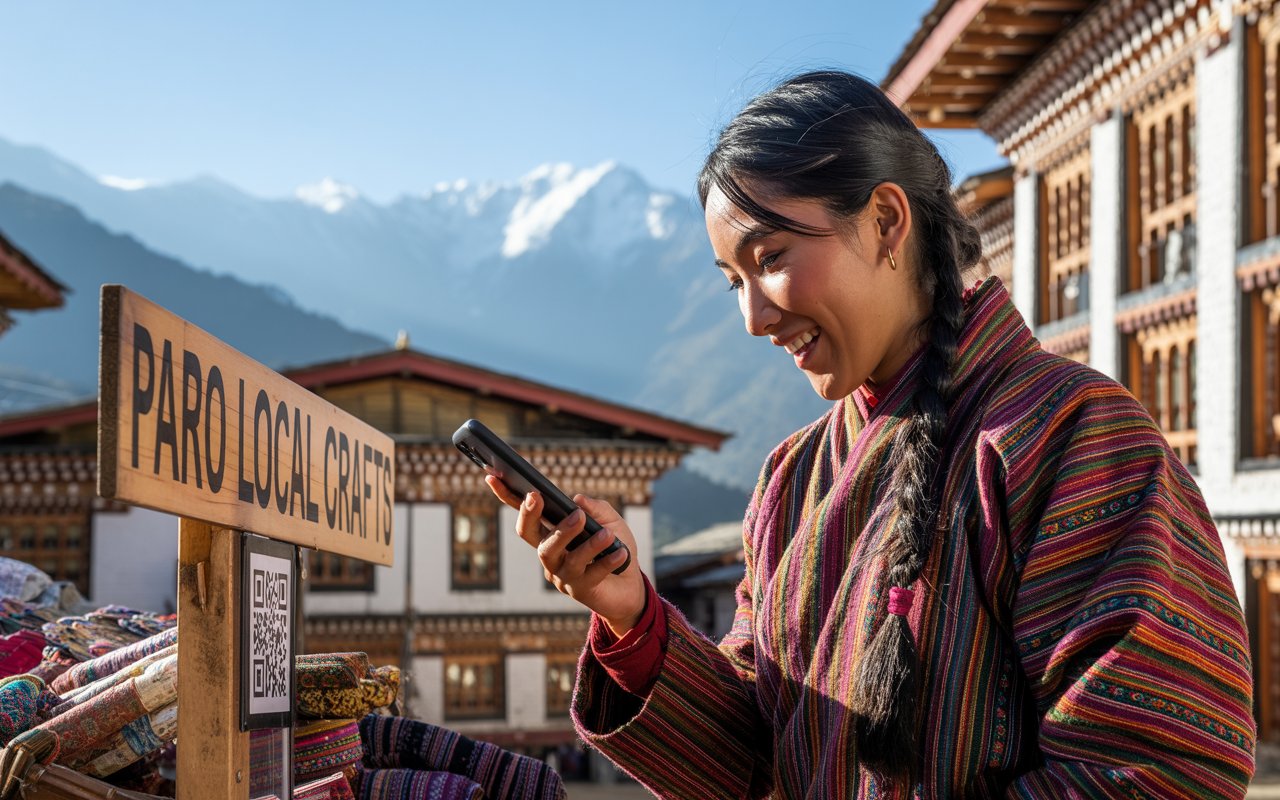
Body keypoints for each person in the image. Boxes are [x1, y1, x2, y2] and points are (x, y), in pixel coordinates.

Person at [484, 71, 1256, 798]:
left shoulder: (1074, 439)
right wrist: (633, 618)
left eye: (772, 258)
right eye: (733, 284)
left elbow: (1160, 767)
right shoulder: (790, 479)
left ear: (886, 220)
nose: (752, 319)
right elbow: (754, 762)